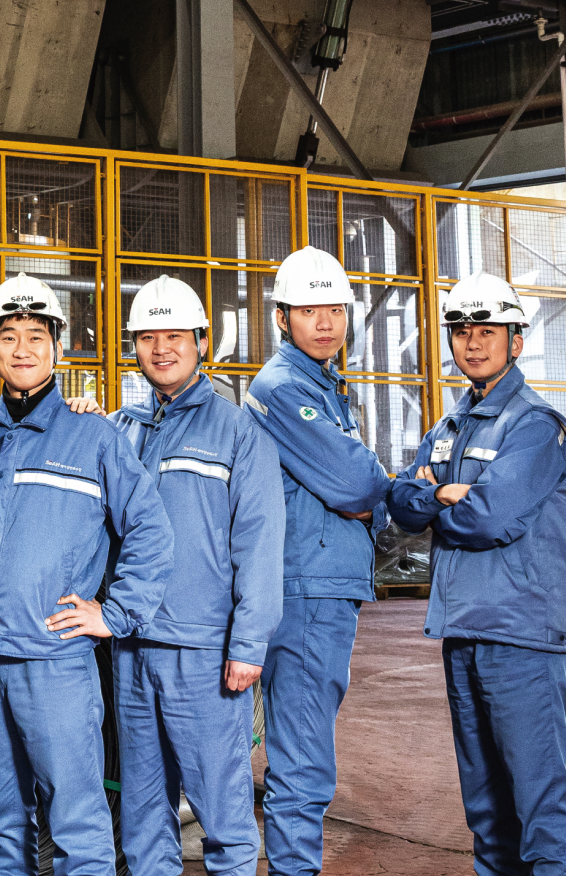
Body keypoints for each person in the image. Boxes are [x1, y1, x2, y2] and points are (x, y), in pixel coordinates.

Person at [0, 273, 176, 876]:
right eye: (9, 337)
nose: (22, 350)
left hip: (54, 662)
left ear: (57, 347)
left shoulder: (94, 436)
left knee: (76, 818)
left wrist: (116, 613)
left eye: (35, 337)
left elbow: (150, 529)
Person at [387, 273, 566, 876]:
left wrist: (443, 496)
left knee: (539, 802)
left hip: (520, 634)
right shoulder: (451, 426)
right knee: (486, 808)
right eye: (461, 331)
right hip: (464, 631)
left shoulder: (536, 427)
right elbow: (401, 502)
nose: (472, 343)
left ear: (516, 341)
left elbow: (489, 518)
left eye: (487, 331)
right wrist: (442, 495)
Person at [105, 275, 284, 876]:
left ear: (202, 342)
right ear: (134, 346)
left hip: (203, 651)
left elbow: (260, 545)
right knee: (142, 813)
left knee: (222, 812)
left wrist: (249, 644)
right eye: (147, 337)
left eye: (175, 336)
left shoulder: (239, 432)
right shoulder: (119, 430)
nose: (161, 349)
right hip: (131, 646)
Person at [242, 245, 391, 876]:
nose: (325, 322)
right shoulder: (284, 387)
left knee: (302, 745)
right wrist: (371, 497)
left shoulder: (325, 385)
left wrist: (367, 497)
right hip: (306, 587)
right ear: (282, 318)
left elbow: (360, 490)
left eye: (335, 309)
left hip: (320, 581)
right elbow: (358, 483)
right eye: (308, 311)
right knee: (303, 756)